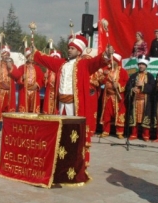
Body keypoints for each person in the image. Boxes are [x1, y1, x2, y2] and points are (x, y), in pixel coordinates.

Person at [33, 34, 110, 165]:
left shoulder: (85, 64)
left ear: (79, 51)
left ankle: (77, 162)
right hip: (62, 104)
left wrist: (106, 55)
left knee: (75, 133)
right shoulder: (61, 64)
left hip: (74, 105)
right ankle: (62, 159)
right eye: (69, 48)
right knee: (62, 133)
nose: (69, 50)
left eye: (72, 48)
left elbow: (97, 62)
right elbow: (47, 60)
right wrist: (35, 52)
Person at [92, 52, 128, 138]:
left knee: (119, 113)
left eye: (112, 61)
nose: (110, 62)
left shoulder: (122, 71)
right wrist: (104, 74)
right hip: (107, 96)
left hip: (117, 96)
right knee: (106, 114)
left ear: (116, 61)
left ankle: (119, 132)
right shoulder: (107, 70)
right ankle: (105, 131)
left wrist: (118, 85)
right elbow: (101, 81)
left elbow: (126, 83)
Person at [125, 55, 156, 141]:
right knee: (134, 117)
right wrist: (132, 89)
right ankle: (133, 134)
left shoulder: (150, 76)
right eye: (139, 64)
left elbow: (153, 88)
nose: (141, 66)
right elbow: (128, 86)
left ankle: (146, 135)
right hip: (135, 100)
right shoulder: (133, 76)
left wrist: (143, 86)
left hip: (145, 101)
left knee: (145, 117)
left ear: (146, 65)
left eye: (143, 64)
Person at [0, 44, 17, 134]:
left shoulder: (12, 66)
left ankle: (7, 127)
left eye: (7, 55)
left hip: (9, 92)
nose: (6, 57)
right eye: (4, 55)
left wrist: (11, 68)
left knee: (8, 109)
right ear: (1, 56)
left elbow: (18, 75)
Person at [12, 48, 43, 114]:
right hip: (24, 91)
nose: (31, 58)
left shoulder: (37, 68)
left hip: (34, 92)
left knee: (34, 111)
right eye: (29, 56)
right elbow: (17, 78)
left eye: (32, 56)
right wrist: (22, 78)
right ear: (27, 57)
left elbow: (41, 78)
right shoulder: (21, 68)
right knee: (24, 111)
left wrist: (37, 84)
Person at [42, 50, 60, 115]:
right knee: (47, 109)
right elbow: (44, 83)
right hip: (49, 91)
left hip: (57, 92)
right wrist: (45, 77)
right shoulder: (48, 70)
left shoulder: (60, 70)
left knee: (56, 108)